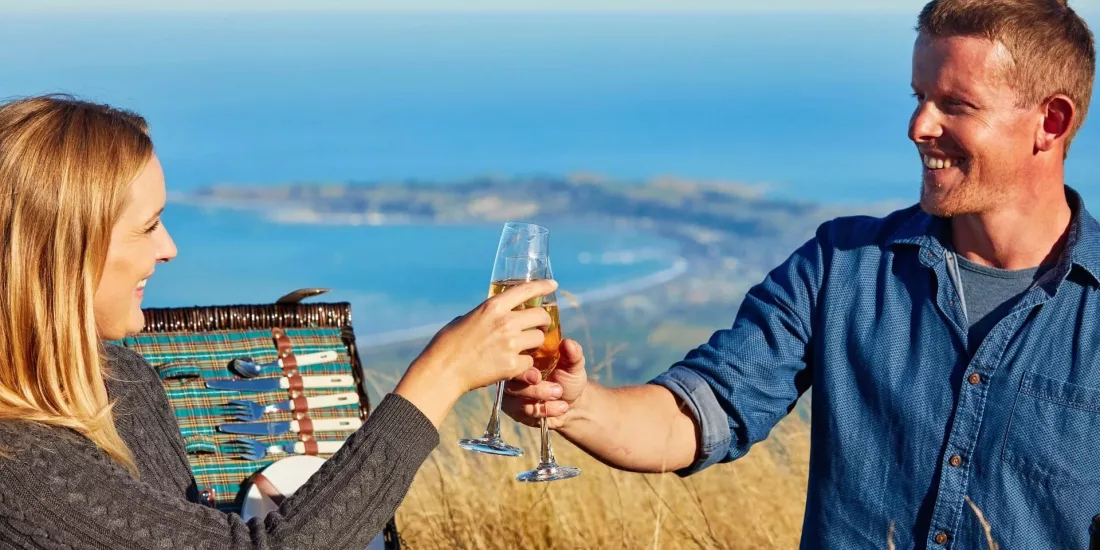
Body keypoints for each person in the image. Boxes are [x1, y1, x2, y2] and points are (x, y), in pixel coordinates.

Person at [505, 0, 1099, 547]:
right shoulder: (840, 266)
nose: (918, 126)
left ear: (1051, 122)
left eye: (956, 104)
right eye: (919, 95)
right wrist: (574, 405)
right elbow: (700, 413)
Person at [0, 95, 556, 548]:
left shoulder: (120, 377)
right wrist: (441, 375)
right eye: (147, 228)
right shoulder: (18, 466)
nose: (168, 249)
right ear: (63, 254)